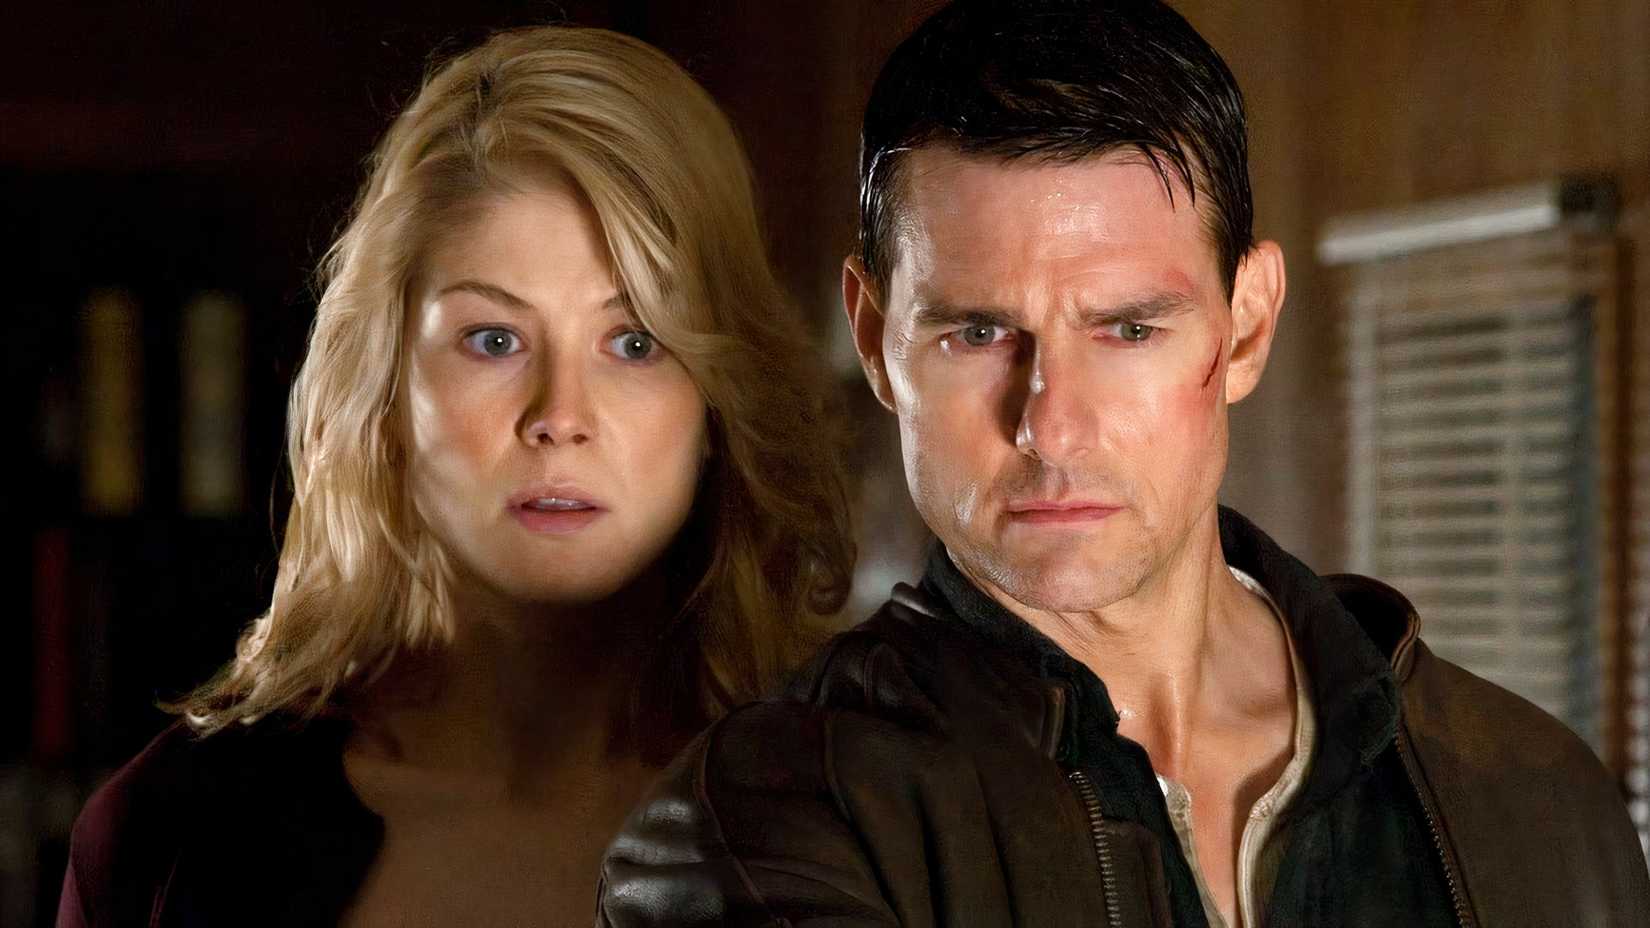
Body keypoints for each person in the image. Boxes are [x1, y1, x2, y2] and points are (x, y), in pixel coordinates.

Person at [597, 2, 1650, 926]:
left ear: (1245, 329)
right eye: (978, 333)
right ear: (877, 340)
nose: (1052, 427)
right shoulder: (763, 826)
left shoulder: (1533, 800)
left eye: (1129, 330)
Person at [57, 24, 853, 928]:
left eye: (635, 342)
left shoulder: (853, 824)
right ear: (385, 387)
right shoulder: (167, 837)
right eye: (494, 339)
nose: (560, 415)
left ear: (719, 398)